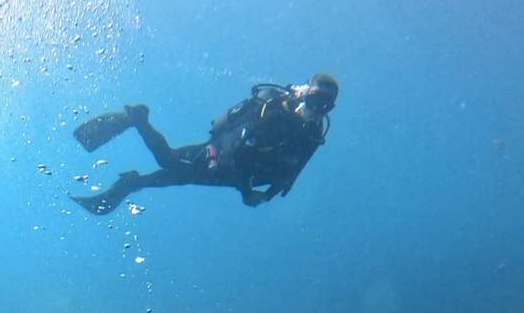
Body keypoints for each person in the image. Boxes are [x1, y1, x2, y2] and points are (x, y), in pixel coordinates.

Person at [69, 74, 338, 215]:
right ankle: (138, 120)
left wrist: (266, 196)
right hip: (220, 159)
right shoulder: (275, 115)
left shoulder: (313, 134)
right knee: (169, 163)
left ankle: (130, 181)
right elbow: (240, 156)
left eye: (325, 105)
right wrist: (248, 194)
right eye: (315, 99)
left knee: (175, 175)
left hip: (231, 175)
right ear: (306, 93)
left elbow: (290, 175)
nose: (318, 108)